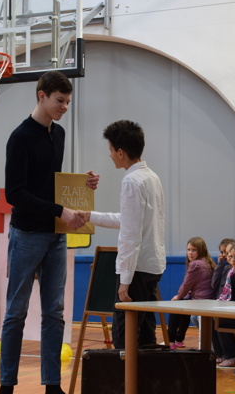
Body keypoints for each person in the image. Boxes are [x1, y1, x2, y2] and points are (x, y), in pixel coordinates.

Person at [0, 71, 99, 394]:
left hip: (56, 236)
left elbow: (50, 183)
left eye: (68, 102)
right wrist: (59, 210)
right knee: (16, 312)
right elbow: (15, 193)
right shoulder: (20, 137)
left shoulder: (60, 134)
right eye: (60, 101)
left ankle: (52, 385)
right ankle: (6, 385)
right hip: (27, 235)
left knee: (54, 312)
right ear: (41, 95)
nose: (64, 107)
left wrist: (83, 184)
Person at [79, 120, 166, 349]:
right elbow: (129, 220)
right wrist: (89, 216)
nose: (109, 155)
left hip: (136, 268)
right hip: (152, 265)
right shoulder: (152, 177)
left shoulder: (131, 180)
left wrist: (124, 281)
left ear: (120, 152)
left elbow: (130, 234)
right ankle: (144, 374)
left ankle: (125, 374)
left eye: (110, 150)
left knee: (124, 337)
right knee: (146, 335)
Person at [167, 236, 216, 349]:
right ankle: (179, 339)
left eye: (194, 250)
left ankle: (170, 341)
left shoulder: (195, 264)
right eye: (188, 250)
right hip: (206, 298)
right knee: (184, 304)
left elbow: (187, 284)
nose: (190, 253)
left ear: (201, 250)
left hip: (200, 299)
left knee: (175, 305)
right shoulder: (208, 262)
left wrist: (178, 296)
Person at [211, 239, 235, 363]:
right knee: (204, 317)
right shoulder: (225, 268)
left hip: (229, 304)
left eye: (227, 252)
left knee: (218, 318)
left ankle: (230, 354)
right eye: (222, 252)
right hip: (220, 302)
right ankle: (219, 352)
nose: (224, 255)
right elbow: (213, 284)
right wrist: (219, 265)